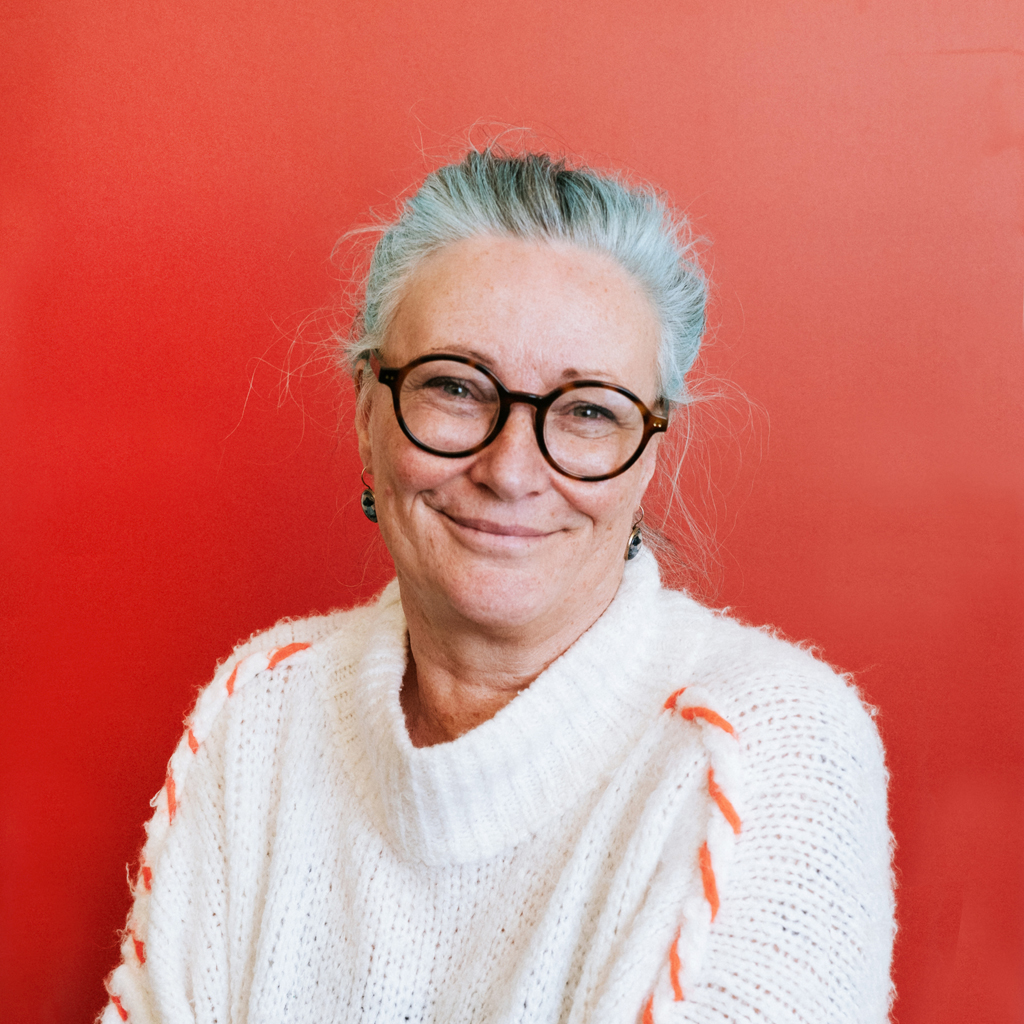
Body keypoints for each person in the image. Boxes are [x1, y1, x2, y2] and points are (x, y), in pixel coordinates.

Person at [99, 150, 895, 1024]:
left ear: (648, 455)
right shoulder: (263, 705)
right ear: (367, 413)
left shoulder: (758, 746)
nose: (511, 471)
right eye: (455, 387)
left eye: (588, 410)